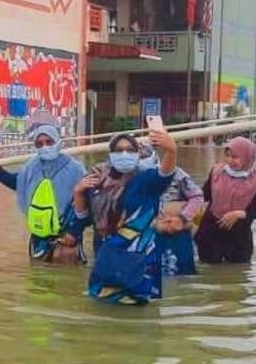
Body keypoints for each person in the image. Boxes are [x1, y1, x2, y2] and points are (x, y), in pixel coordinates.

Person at [66, 129, 178, 305]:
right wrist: (78, 192)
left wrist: (171, 150)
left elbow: (165, 175)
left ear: (137, 153)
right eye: (119, 150)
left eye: (130, 150)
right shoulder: (97, 181)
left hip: (139, 261)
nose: (124, 153)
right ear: (111, 154)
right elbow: (83, 219)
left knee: (138, 316)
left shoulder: (145, 179)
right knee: (104, 312)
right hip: (106, 258)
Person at [0, 124, 86, 264]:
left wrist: (73, 231)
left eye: (49, 142)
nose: (45, 146)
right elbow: (18, 183)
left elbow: (85, 204)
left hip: (66, 235)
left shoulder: (75, 169)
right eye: (39, 144)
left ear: (58, 141)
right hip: (39, 233)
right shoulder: (31, 167)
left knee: (63, 278)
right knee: (38, 277)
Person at [194, 136, 256, 264]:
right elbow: (205, 194)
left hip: (238, 236)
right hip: (211, 231)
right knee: (208, 269)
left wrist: (240, 213)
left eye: (235, 157)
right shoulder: (217, 172)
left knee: (236, 273)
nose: (230, 161)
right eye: (228, 156)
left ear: (247, 157)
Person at [138, 141, 204, 276]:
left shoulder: (176, 174)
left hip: (176, 233)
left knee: (182, 275)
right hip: (145, 235)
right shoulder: (128, 178)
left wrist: (182, 218)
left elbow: (197, 198)